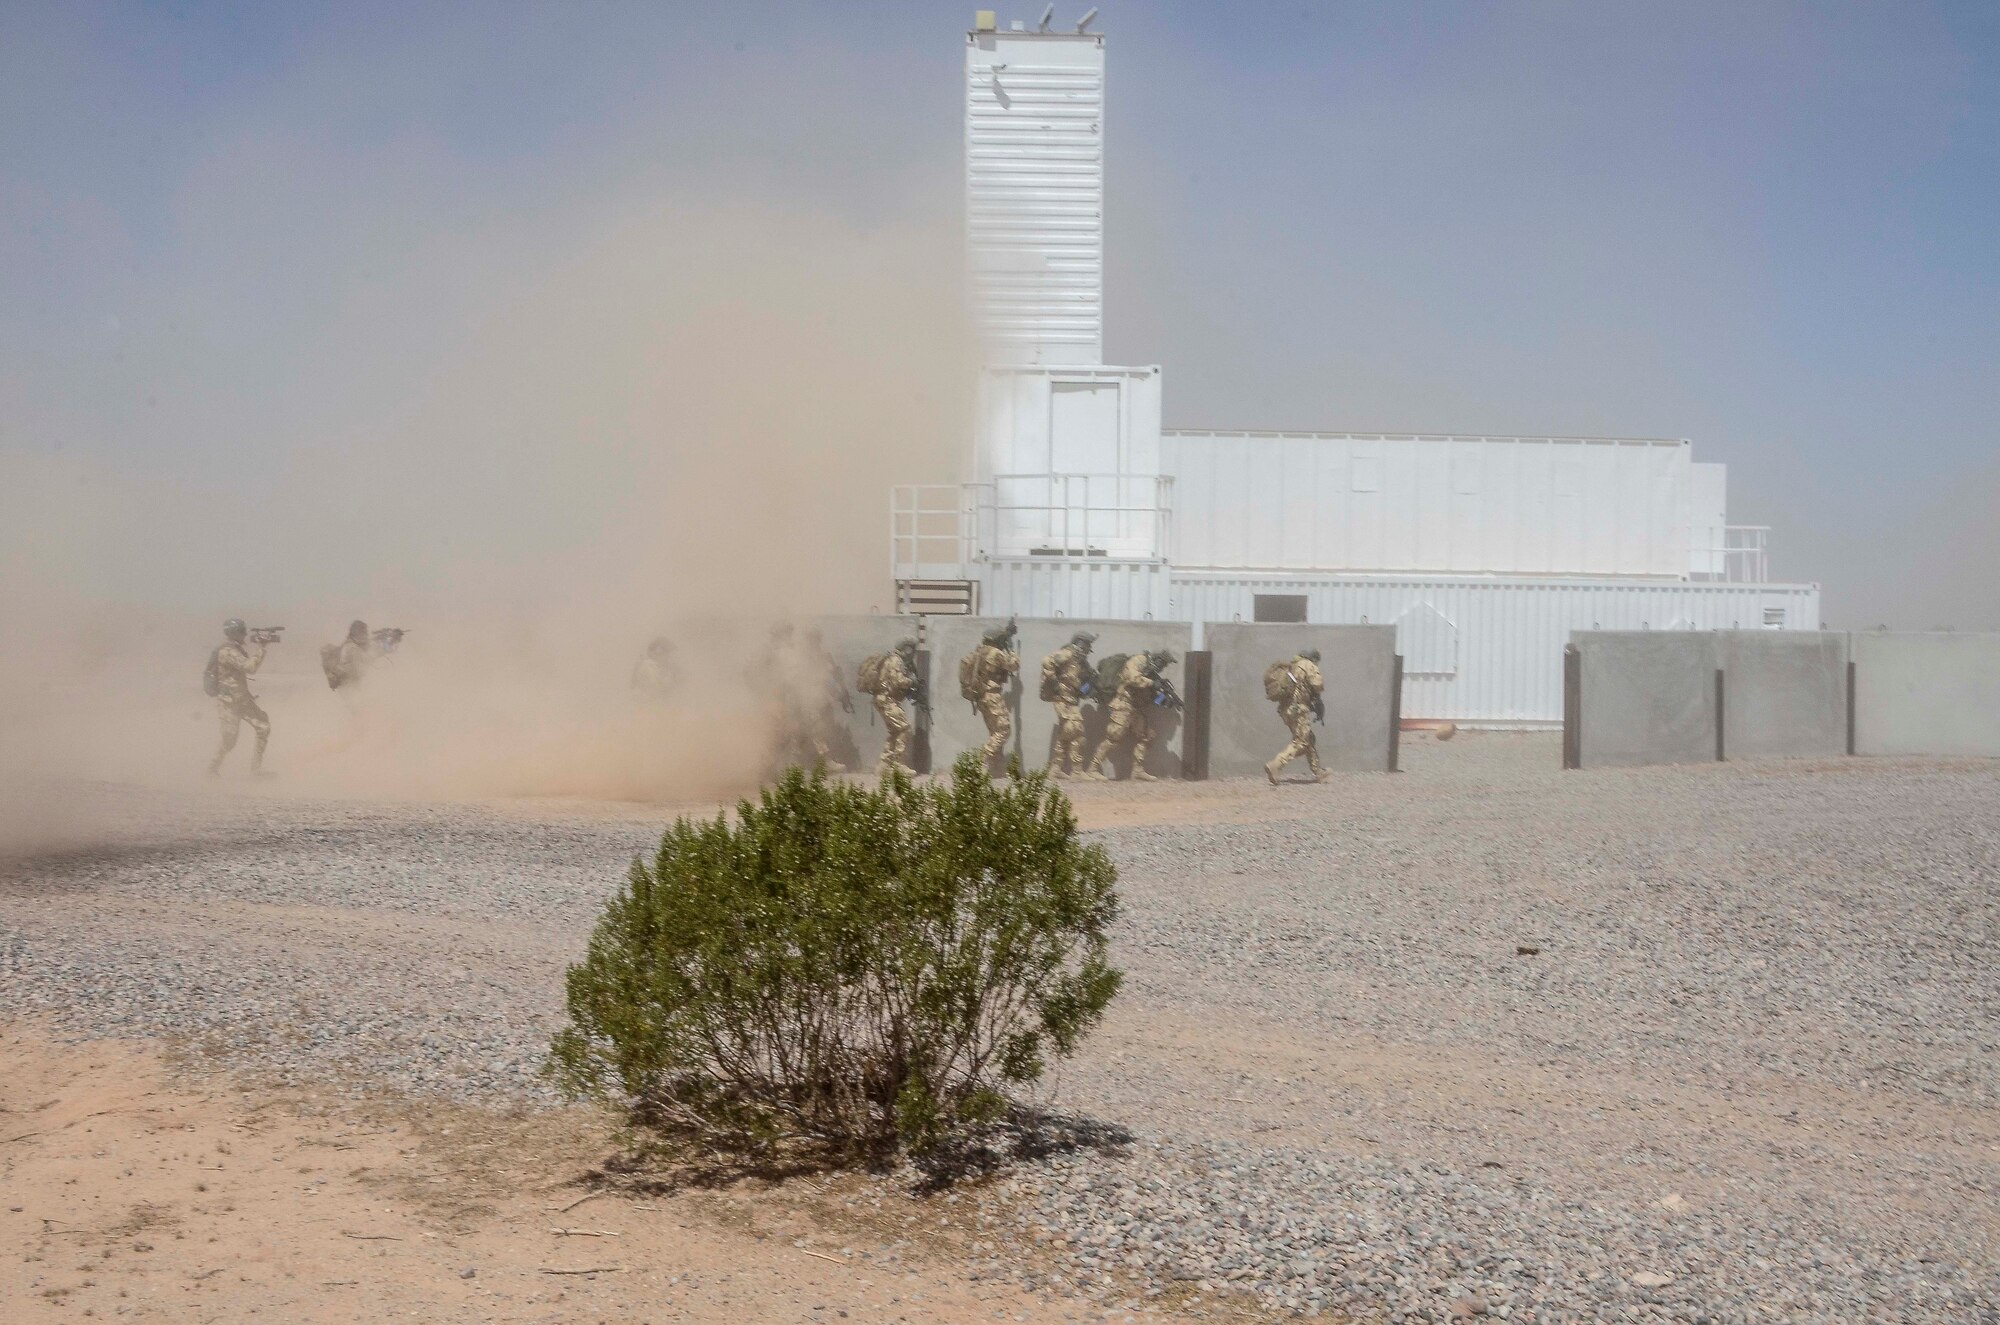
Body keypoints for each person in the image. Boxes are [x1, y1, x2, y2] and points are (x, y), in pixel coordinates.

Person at [1085, 649, 1177, 782]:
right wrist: (1152, 683)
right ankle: (1092, 769)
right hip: (1123, 705)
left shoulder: (1151, 673)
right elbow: (1132, 678)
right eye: (1163, 663)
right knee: (1113, 737)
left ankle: (1138, 771)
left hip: (1135, 709)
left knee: (1147, 735)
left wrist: (1163, 698)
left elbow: (1147, 696)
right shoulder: (1139, 660)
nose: (1163, 667)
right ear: (1157, 659)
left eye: (1165, 665)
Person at [206, 618, 272, 776]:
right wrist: (262, 647)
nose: (245, 634)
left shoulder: (235, 649)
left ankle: (256, 770)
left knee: (263, 726)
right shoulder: (227, 651)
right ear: (233, 633)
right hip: (228, 702)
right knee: (229, 740)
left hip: (241, 700)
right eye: (242, 631)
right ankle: (211, 769)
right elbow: (250, 667)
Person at [1265, 647, 1328, 785]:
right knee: (1301, 742)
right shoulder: (1307, 664)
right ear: (1314, 658)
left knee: (1308, 738)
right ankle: (1276, 765)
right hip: (1298, 709)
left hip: (1286, 709)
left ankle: (1318, 772)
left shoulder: (1292, 665)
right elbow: (1318, 684)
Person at [1038, 630, 1097, 778]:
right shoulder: (1068, 653)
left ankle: (1055, 769)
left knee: (1066, 733)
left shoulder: (1080, 661)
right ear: (1080, 643)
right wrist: (1055, 683)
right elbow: (1046, 661)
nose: (1087, 650)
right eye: (1086, 646)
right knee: (1078, 731)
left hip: (1071, 699)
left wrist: (1090, 683)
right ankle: (1077, 771)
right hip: (1062, 699)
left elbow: (1082, 685)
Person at [965, 619, 1019, 774]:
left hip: (982, 696)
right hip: (992, 696)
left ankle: (997, 769)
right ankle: (981, 762)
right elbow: (1013, 665)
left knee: (995, 732)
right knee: (1004, 730)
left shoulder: (981, 650)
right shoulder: (996, 653)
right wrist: (1011, 650)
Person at [870, 638, 921, 774]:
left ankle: (884, 764)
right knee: (905, 729)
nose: (913, 653)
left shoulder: (892, 659)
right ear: (907, 648)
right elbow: (898, 681)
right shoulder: (896, 660)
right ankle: (899, 764)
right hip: (887, 700)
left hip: (884, 699)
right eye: (912, 649)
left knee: (895, 731)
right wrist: (912, 682)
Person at [322, 619, 378, 691]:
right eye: (364, 632)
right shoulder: (351, 647)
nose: (366, 634)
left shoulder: (352, 645)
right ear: (357, 633)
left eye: (365, 632)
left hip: (349, 684)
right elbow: (363, 661)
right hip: (349, 686)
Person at [631, 636, 678, 702]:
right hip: (645, 704)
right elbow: (655, 686)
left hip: (658, 704)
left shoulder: (665, 667)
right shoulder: (647, 665)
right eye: (667, 652)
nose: (669, 656)